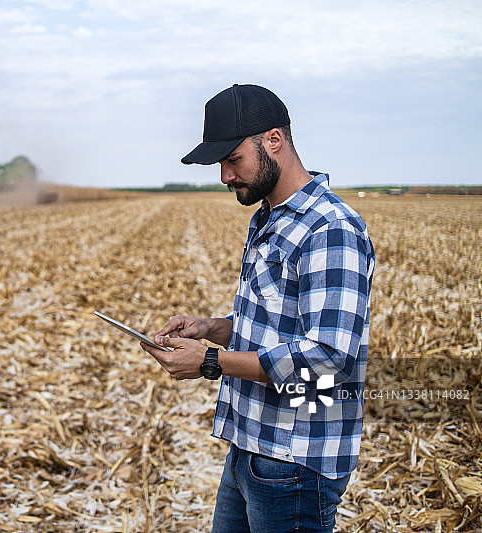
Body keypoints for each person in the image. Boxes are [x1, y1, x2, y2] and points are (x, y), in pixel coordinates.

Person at [139, 84, 375, 533]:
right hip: (250, 446)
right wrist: (209, 329)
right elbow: (274, 328)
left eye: (233, 160)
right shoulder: (270, 218)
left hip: (294, 459)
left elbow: (327, 358)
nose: (225, 176)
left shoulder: (330, 230)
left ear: (274, 141)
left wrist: (210, 363)